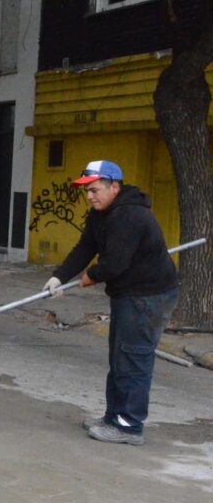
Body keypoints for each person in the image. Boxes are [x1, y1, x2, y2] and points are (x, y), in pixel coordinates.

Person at [44, 160, 178, 446]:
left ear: (114, 187)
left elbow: (114, 264)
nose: (90, 196)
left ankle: (129, 426)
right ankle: (113, 416)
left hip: (149, 295)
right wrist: (59, 277)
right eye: (87, 191)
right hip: (128, 293)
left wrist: (91, 275)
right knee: (119, 355)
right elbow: (85, 248)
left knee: (134, 356)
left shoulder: (129, 215)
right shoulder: (99, 215)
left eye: (95, 190)